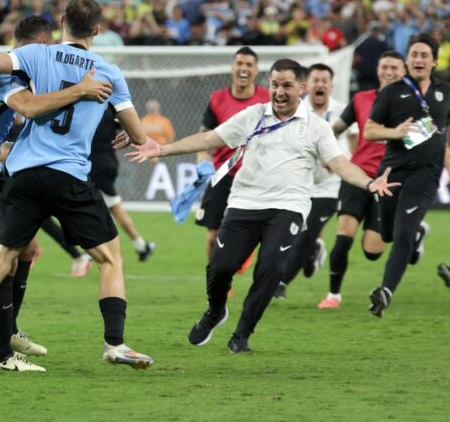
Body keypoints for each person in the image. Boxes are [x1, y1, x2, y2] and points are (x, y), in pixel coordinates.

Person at [126, 59, 397, 353]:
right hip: (244, 203)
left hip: (288, 207)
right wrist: (163, 148)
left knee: (270, 268)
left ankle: (241, 334)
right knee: (219, 267)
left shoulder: (317, 128)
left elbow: (340, 164)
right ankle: (215, 311)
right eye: (275, 84)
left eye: (287, 86)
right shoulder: (253, 115)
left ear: (301, 88)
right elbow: (209, 137)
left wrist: (369, 183)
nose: (279, 92)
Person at [0, 0, 154, 372]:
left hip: (22, 176)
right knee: (111, 258)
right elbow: (139, 135)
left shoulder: (38, 56)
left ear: (61, 22)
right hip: (69, 176)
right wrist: (126, 129)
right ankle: (115, 344)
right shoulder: (108, 72)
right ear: (98, 30)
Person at [364, 33, 448, 317]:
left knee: (402, 234)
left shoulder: (445, 92)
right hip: (391, 172)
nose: (419, 59)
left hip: (426, 174)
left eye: (425, 55)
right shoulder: (391, 92)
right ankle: (418, 234)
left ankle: (385, 291)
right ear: (407, 59)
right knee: (387, 234)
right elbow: (370, 130)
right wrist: (394, 132)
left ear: (434, 61)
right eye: (414, 54)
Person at [317, 51, 405, 309]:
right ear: (377, 70)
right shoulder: (361, 99)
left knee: (372, 251)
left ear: (404, 72)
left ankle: (415, 232)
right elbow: (335, 130)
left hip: (387, 182)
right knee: (344, 236)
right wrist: (326, 152)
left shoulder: (412, 105)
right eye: (384, 66)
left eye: (394, 68)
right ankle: (333, 296)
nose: (388, 72)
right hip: (357, 177)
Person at [274, 63, 351, 299]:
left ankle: (281, 283)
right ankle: (312, 253)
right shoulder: (297, 109)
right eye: (316, 80)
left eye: (324, 80)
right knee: (289, 234)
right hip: (299, 185)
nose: (320, 84)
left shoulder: (342, 110)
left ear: (331, 85)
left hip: (329, 187)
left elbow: (353, 145)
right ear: (306, 85)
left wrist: (340, 161)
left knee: (305, 234)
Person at [194, 47, 269, 259]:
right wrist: (202, 161)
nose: (243, 68)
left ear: (256, 70)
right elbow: (203, 137)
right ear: (232, 67)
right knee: (212, 237)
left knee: (259, 233)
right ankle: (216, 285)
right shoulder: (217, 99)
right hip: (223, 175)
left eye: (249, 65)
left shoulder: (268, 100)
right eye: (239, 64)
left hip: (257, 177)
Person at [91, 109, 156, 261]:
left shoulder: (86, 106)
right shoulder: (113, 110)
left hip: (91, 164)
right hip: (108, 163)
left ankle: (93, 251)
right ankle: (141, 246)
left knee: (110, 209)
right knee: (110, 208)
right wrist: (147, 148)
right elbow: (133, 131)